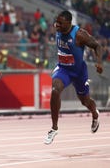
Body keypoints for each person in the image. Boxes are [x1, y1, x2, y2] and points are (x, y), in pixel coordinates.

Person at [44, 10, 103, 145]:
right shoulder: (58, 27)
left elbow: (97, 46)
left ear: (69, 23)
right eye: (56, 22)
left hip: (78, 72)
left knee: (85, 101)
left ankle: (95, 114)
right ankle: (54, 128)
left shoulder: (79, 34)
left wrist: (99, 62)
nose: (56, 25)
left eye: (60, 23)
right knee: (55, 90)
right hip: (63, 69)